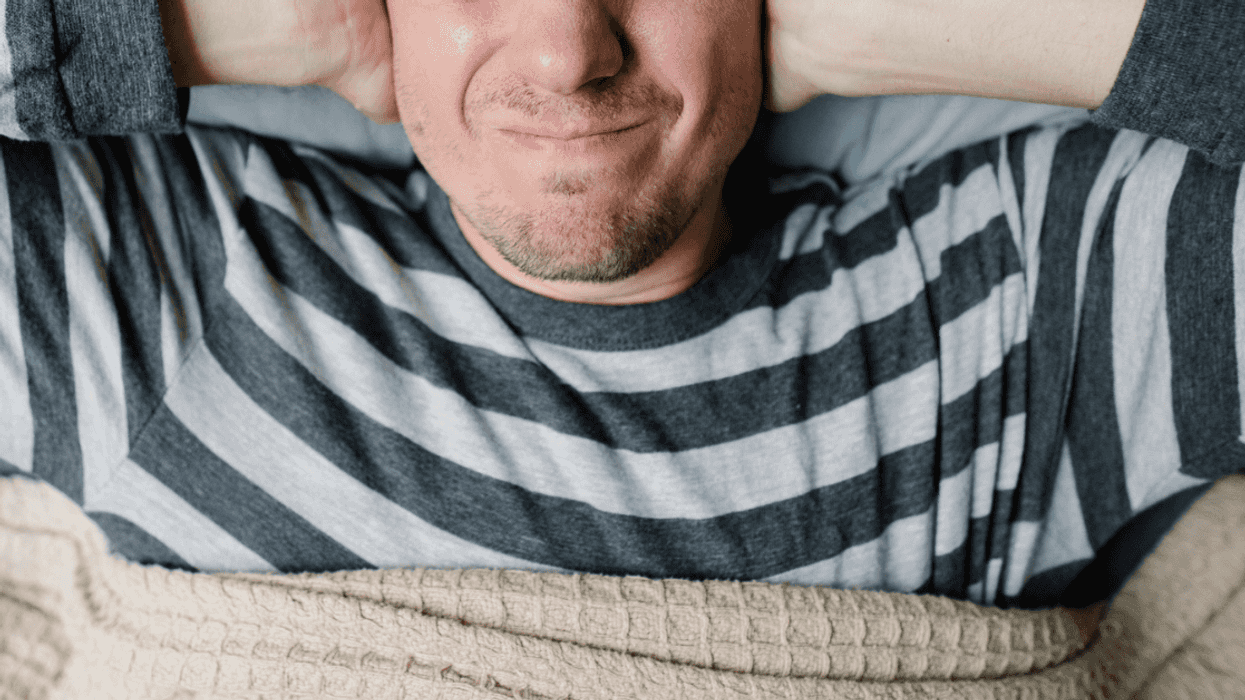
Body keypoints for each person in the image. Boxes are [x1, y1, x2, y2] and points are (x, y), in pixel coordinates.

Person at [0, 0, 1241, 616]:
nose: (566, 54)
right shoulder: (170, 274)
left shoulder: (1018, 291)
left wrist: (926, 24)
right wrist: (162, 28)